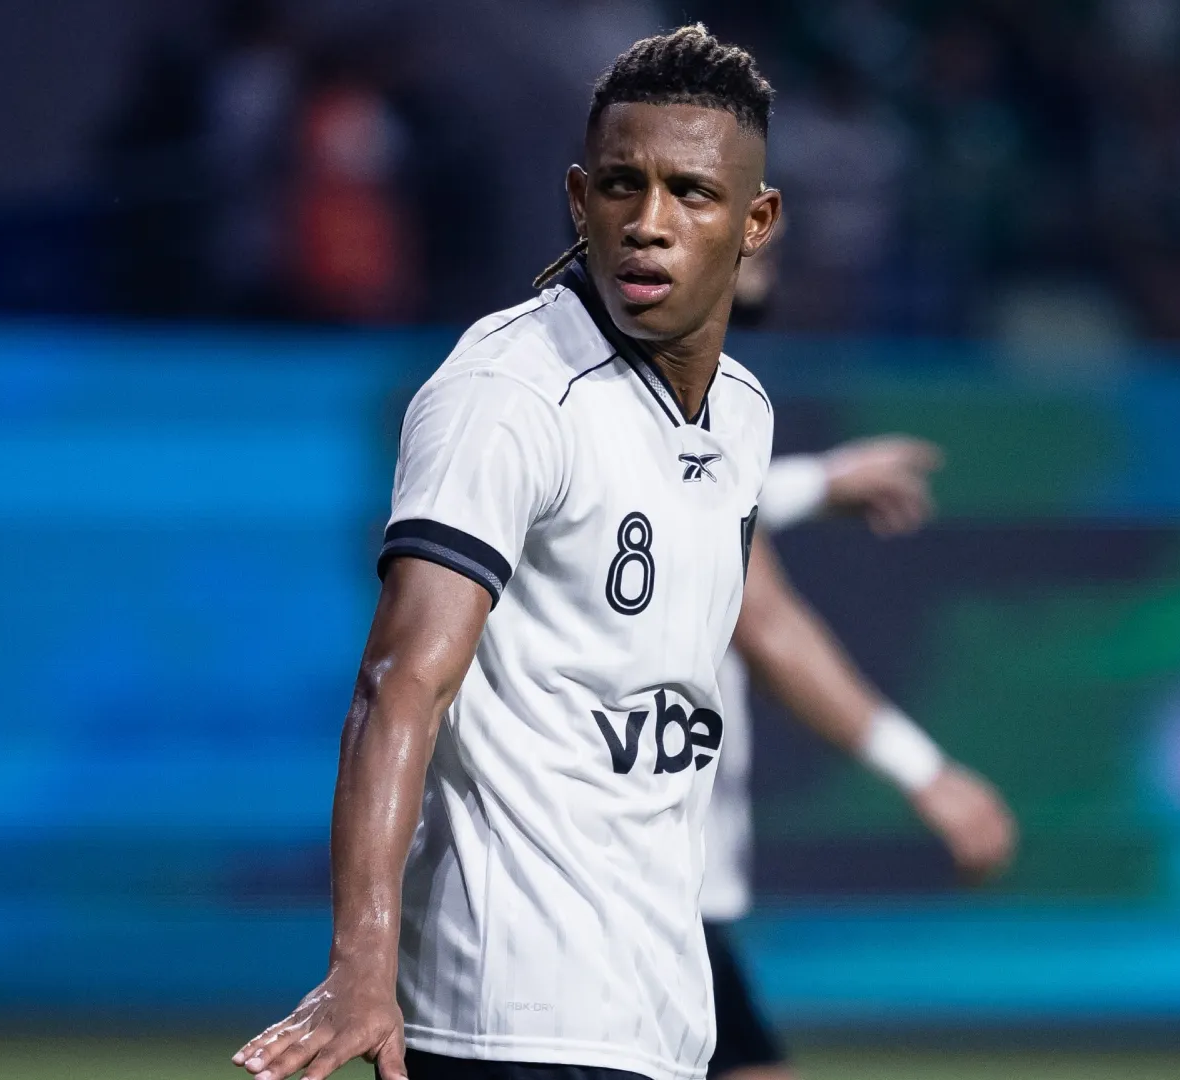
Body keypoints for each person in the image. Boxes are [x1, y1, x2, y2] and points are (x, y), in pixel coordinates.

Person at [234, 25, 782, 1080]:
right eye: (621, 186)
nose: (650, 224)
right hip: (505, 1010)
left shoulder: (744, 417)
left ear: (754, 222)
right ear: (579, 200)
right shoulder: (509, 392)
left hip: (658, 1010)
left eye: (692, 194)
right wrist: (361, 964)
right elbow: (399, 682)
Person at [700, 440, 1019, 1080]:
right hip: (637, 872)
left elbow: (701, 492)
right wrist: (923, 771)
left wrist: (818, 482)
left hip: (635, 872)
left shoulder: (593, 431)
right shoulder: (626, 423)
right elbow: (767, 623)